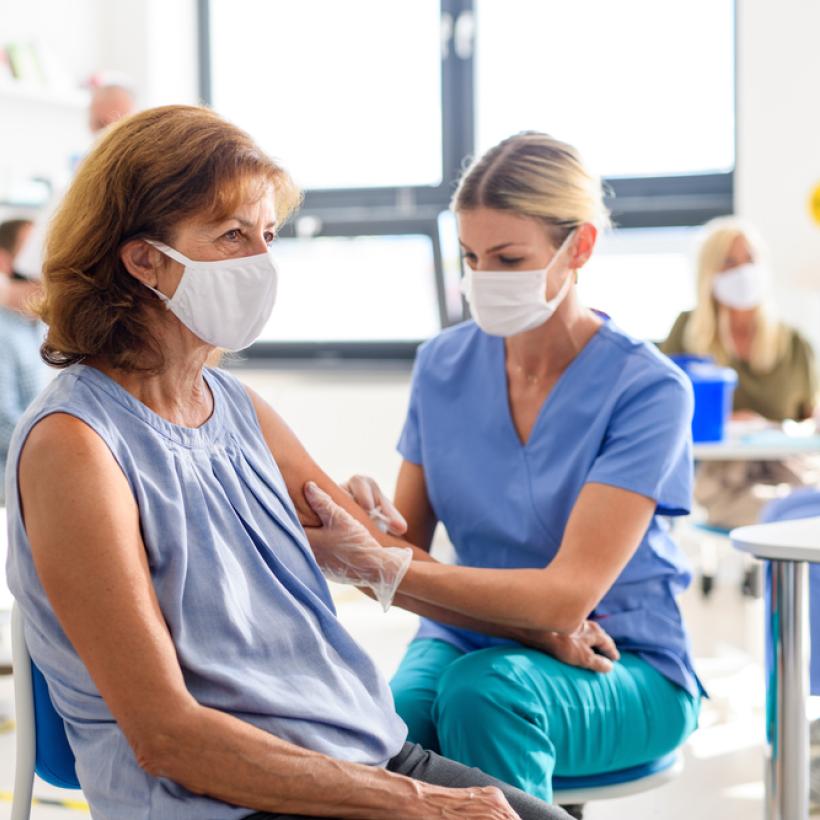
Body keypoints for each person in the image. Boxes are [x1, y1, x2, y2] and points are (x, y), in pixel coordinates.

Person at [5, 105, 568, 820]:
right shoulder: (75, 447)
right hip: (224, 796)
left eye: (266, 236)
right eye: (232, 235)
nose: (259, 262)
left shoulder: (237, 408)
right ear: (143, 258)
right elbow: (167, 737)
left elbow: (380, 557)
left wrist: (537, 628)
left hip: (359, 753)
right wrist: (421, 805)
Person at [300, 132, 704, 808]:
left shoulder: (648, 389)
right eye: (471, 257)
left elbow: (565, 600)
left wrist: (383, 564)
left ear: (579, 247)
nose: (484, 278)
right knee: (385, 722)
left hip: (623, 659)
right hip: (462, 636)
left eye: (509, 258)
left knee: (487, 695)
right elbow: (405, 552)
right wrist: (365, 527)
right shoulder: (442, 365)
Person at [661, 218, 819, 529]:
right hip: (720, 478)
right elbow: (665, 409)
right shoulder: (688, 333)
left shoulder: (793, 343)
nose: (743, 271)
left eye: (750, 260)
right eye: (729, 262)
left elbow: (810, 417)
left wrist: (771, 427)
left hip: (788, 469)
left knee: (800, 513)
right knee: (785, 519)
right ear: (709, 272)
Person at [0, 218, 48, 504]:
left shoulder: (39, 330)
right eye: (33, 253)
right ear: (5, 262)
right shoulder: (3, 334)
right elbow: (3, 425)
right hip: (12, 491)